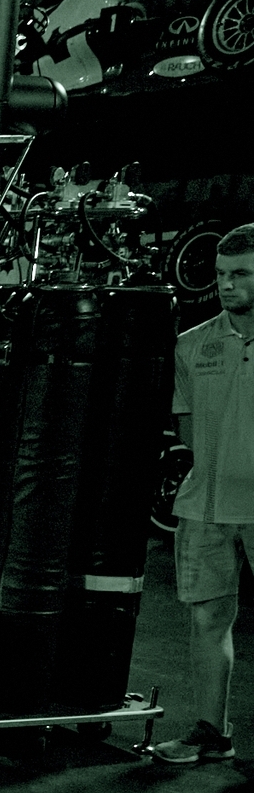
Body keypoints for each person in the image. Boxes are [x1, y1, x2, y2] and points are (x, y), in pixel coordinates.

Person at [155, 223, 254, 764]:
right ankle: (211, 733)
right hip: (205, 506)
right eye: (220, 274)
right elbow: (188, 427)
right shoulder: (192, 344)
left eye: (241, 274)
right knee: (207, 621)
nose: (226, 284)